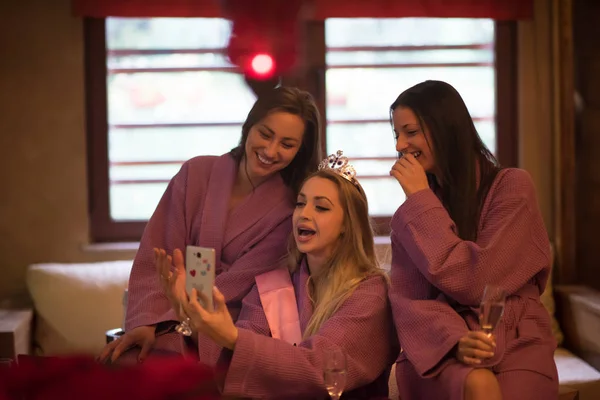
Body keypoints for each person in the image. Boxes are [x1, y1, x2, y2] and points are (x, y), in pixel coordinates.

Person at [98, 86, 322, 364]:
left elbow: (238, 283)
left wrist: (185, 305)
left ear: (300, 151)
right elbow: (157, 251)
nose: (270, 150)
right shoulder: (196, 173)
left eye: (287, 144)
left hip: (227, 326)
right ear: (249, 126)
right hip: (164, 315)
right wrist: (147, 321)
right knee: (130, 363)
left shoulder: (289, 210)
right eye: (265, 134)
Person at [174, 151, 398, 399]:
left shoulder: (370, 293)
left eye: (321, 207)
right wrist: (195, 322)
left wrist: (234, 338)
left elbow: (324, 367)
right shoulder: (271, 287)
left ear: (348, 224)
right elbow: (237, 364)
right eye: (301, 203)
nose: (304, 213)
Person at [387, 80, 558, 399]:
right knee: (474, 385)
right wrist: (454, 341)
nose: (400, 145)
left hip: (516, 342)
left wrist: (421, 198)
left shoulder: (512, 187)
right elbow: (408, 303)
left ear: (445, 128)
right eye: (397, 134)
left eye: (410, 132)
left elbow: (479, 281)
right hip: (439, 350)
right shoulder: (412, 213)